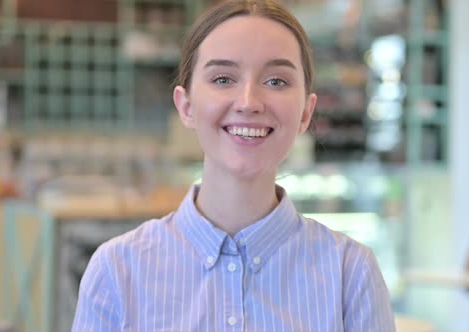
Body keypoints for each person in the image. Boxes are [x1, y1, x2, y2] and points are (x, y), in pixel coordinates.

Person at [72, 0, 395, 331]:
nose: (248, 103)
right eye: (224, 79)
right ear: (186, 106)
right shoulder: (117, 271)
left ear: (305, 113)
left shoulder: (350, 273)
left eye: (276, 81)